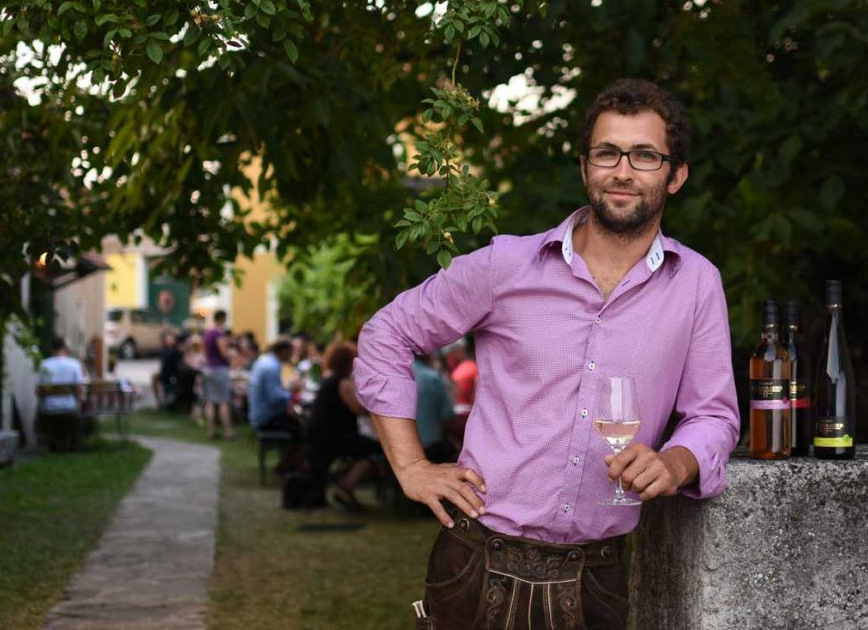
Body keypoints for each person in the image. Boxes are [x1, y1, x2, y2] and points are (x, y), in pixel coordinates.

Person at [354, 78, 740, 629]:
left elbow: (713, 415)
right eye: (606, 153)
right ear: (585, 168)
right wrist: (411, 467)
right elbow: (385, 335)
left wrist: (674, 463)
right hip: (475, 561)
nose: (622, 171)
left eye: (645, 156)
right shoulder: (505, 266)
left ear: (675, 175)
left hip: (597, 577)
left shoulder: (696, 283)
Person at [307, 342, 381, 511]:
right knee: (374, 452)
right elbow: (358, 409)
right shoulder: (342, 382)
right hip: (334, 436)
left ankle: (341, 478)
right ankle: (345, 487)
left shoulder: (328, 378)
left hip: (320, 433)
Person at [249, 339, 304, 470]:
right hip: (266, 418)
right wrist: (292, 391)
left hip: (259, 415)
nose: (292, 356)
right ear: (283, 351)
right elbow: (275, 397)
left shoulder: (265, 361)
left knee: (299, 425)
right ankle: (288, 466)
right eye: (291, 352)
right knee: (304, 431)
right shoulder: (272, 366)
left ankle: (287, 463)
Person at [36, 337, 86, 449]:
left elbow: (38, 391)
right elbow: (79, 389)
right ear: (64, 348)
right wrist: (80, 400)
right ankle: (73, 442)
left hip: (49, 408)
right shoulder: (74, 364)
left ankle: (49, 440)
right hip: (69, 407)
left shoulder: (44, 365)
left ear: (51, 349)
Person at [413, 354, 456, 463]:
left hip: (400, 449)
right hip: (432, 447)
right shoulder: (430, 377)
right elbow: (447, 415)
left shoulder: (392, 375)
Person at [203, 310, 234, 439]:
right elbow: (223, 352)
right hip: (219, 369)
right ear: (222, 319)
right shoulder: (219, 334)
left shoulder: (208, 333)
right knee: (223, 401)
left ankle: (211, 431)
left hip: (209, 368)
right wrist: (230, 356)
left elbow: (205, 352)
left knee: (210, 401)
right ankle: (228, 432)